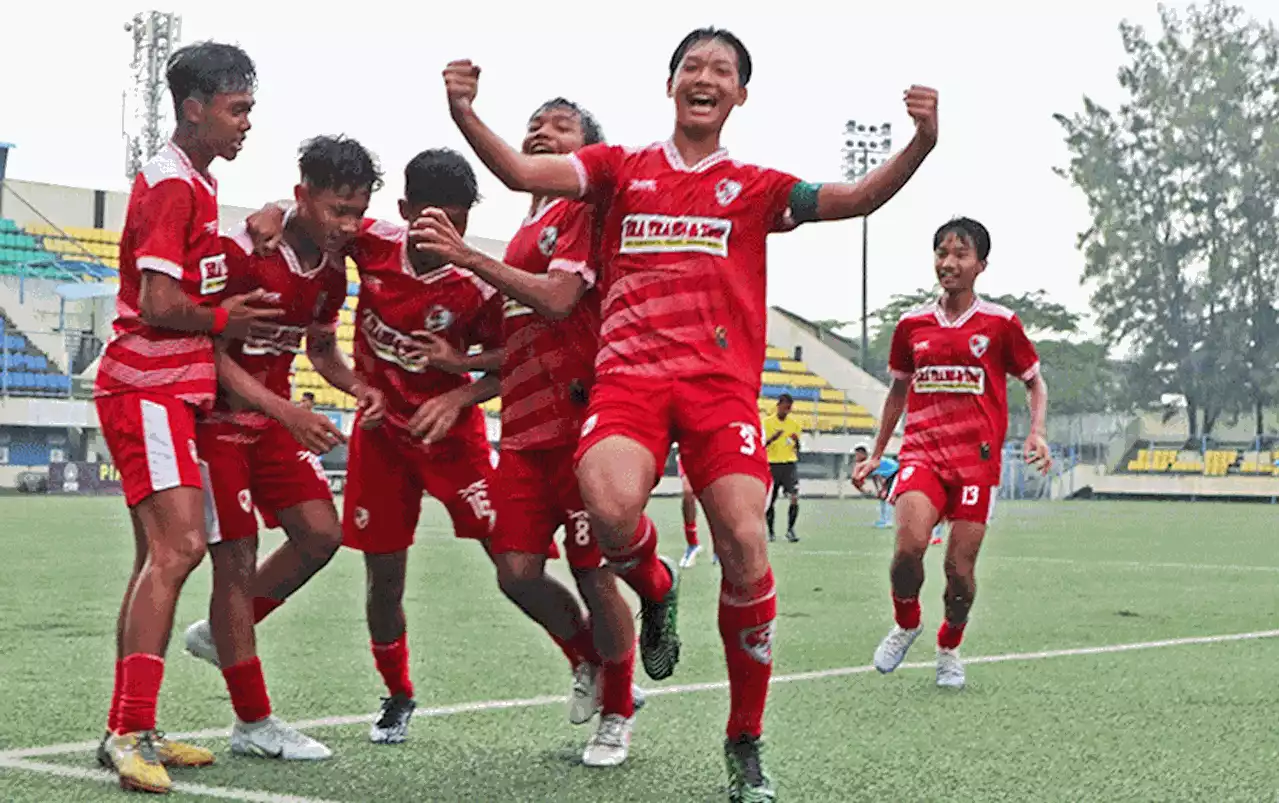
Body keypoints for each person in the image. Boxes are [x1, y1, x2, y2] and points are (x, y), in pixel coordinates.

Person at [439, 26, 938, 799]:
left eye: (723, 70)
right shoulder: (619, 169)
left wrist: (921, 143)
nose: (706, 77)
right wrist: (466, 112)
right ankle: (658, 586)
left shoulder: (758, 185)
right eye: (693, 66)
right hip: (630, 379)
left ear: (740, 94)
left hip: (717, 390)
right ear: (670, 82)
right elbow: (515, 170)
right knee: (606, 507)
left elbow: (854, 198)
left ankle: (745, 742)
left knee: (745, 540)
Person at [408, 99, 647, 766]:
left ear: (583, 155)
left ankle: (618, 713)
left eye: (560, 124)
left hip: (581, 428)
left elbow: (560, 301)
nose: (540, 128)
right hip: (522, 431)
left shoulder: (582, 211)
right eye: (535, 121)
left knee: (593, 572)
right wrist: (464, 374)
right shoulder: (527, 228)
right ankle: (587, 660)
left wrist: (465, 256)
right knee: (514, 572)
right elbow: (526, 334)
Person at [88, 41, 285, 794]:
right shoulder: (173, 185)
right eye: (237, 110)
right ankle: (128, 728)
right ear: (195, 107)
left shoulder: (193, 183)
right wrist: (225, 318)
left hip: (168, 391)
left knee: (159, 560)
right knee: (176, 553)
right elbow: (160, 302)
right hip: (148, 388)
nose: (245, 125)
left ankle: (132, 721)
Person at [178, 136, 388, 760]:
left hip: (271, 422)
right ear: (302, 197)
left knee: (322, 535)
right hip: (218, 423)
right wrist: (286, 411)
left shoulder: (331, 269)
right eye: (336, 210)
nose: (347, 225)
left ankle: (223, 635)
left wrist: (358, 386)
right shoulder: (241, 251)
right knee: (235, 563)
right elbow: (207, 355)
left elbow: (320, 346)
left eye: (357, 212)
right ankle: (253, 722)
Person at [854, 217, 1050, 690]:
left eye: (961, 254)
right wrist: (878, 453)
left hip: (976, 465)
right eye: (942, 253)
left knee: (959, 574)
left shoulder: (1001, 324)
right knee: (907, 550)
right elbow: (898, 390)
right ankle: (906, 622)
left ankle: (948, 647)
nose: (949, 263)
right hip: (922, 455)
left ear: (981, 265)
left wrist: (1037, 432)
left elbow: (1034, 381)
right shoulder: (912, 325)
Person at [762, 394, 802, 543]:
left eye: (789, 409)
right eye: (785, 407)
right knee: (770, 501)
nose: (787, 411)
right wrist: (773, 438)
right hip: (772, 465)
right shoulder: (766, 423)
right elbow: (762, 445)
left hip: (789, 465)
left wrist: (797, 441)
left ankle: (790, 530)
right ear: (778, 405)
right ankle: (771, 532)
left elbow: (798, 449)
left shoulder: (794, 424)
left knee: (794, 497)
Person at [676, 448, 703, 568]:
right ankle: (692, 543)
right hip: (688, 449)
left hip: (713, 449)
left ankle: (720, 544)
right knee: (688, 492)